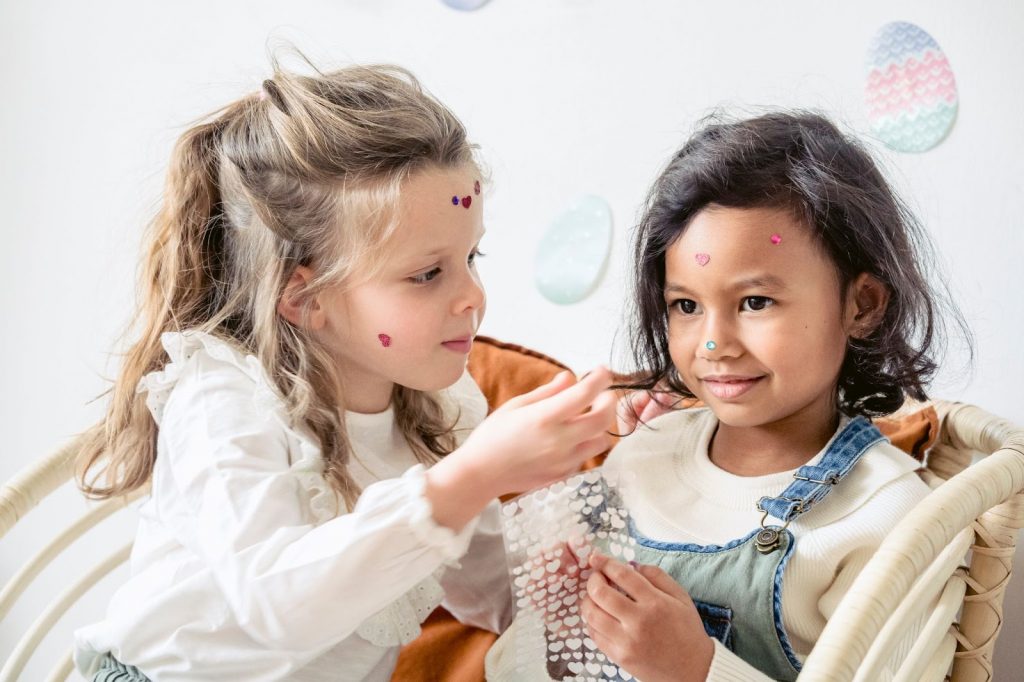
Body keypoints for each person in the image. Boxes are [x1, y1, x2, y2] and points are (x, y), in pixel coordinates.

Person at [72, 60, 616, 681]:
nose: (473, 297)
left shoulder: (438, 407)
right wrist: (474, 474)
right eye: (427, 274)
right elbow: (279, 608)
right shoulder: (223, 402)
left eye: (472, 256)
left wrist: (627, 482)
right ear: (305, 299)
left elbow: (491, 585)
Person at [486, 111, 966, 681]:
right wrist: (559, 616)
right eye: (686, 306)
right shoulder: (647, 449)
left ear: (860, 305)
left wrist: (696, 667)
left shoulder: (886, 516)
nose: (713, 344)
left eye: (756, 302)